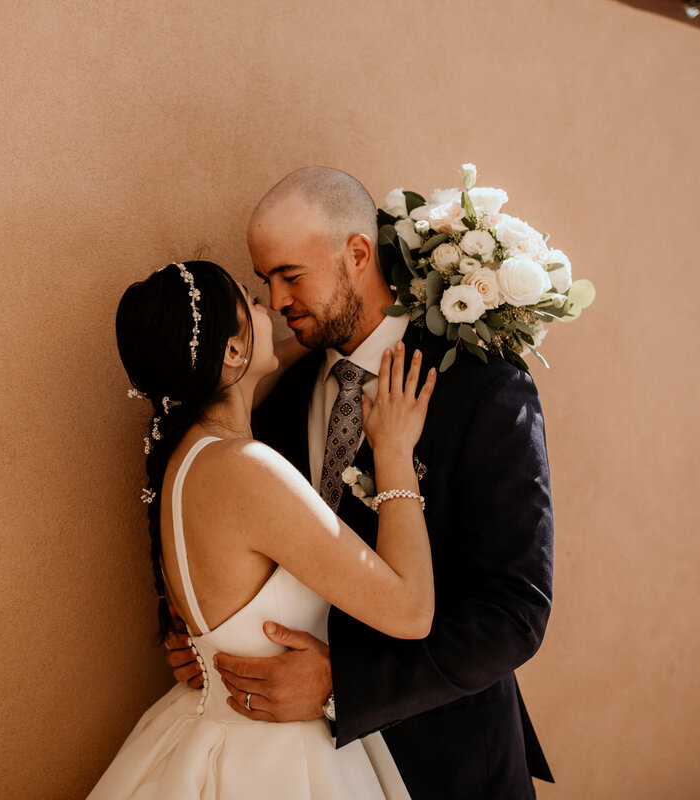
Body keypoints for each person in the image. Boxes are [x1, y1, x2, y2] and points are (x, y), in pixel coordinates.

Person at [165, 168, 555, 799]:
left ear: (356, 254)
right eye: (265, 280)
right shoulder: (278, 404)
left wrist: (343, 685)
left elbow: (515, 612)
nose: (277, 300)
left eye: (291, 276)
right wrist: (202, 634)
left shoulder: (482, 388)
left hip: (446, 765)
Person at [88, 259, 437, 799]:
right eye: (251, 302)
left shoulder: (181, 465)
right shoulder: (248, 468)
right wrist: (391, 454)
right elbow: (411, 611)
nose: (271, 306)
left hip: (203, 732)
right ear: (231, 352)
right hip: (277, 762)